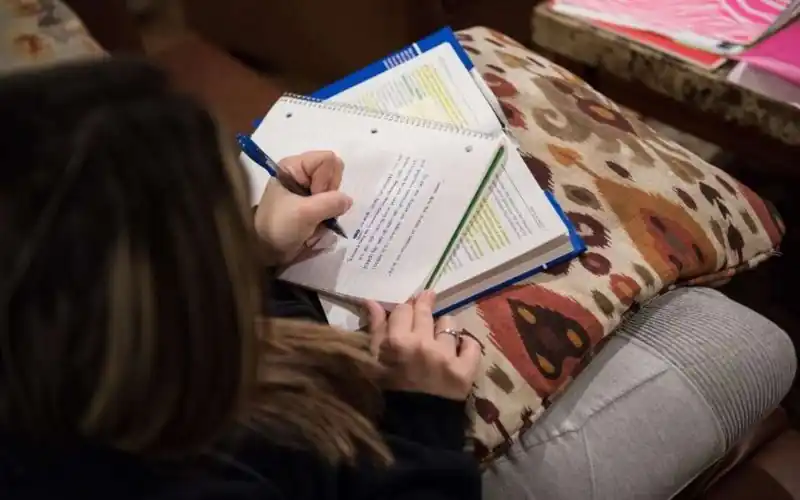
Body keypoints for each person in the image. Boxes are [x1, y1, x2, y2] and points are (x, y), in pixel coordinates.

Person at [0, 58, 483, 499]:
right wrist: (423, 415)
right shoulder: (220, 470)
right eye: (226, 215)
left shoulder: (55, 364)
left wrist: (256, 247)